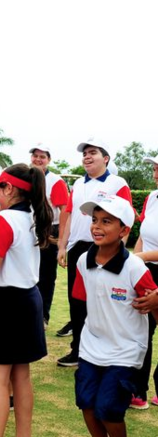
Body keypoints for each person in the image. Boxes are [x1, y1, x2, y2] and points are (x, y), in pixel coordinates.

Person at [0, 164, 53, 437]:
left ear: (10, 189)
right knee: (21, 376)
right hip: (29, 299)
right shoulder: (32, 215)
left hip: (10, 304)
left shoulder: (6, 219)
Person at [72, 196, 158, 437]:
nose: (97, 227)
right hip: (91, 346)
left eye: (107, 221)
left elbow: (155, 305)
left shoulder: (135, 268)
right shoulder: (82, 261)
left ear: (124, 230)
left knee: (108, 409)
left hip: (126, 349)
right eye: (95, 220)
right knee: (86, 403)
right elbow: (82, 300)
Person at [57, 139, 132, 367]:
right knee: (77, 301)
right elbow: (69, 215)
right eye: (85, 154)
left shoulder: (117, 183)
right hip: (78, 248)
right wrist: (62, 245)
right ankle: (78, 350)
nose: (87, 157)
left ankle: (104, 353)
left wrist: (118, 251)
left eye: (93, 153)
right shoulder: (78, 183)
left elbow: (127, 218)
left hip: (104, 248)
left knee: (103, 302)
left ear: (105, 158)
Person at [29, 145, 69, 327]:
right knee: (28, 272)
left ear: (49, 160)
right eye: (35, 156)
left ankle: (43, 316)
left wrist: (61, 238)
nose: (38, 159)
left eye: (42, 156)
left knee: (45, 275)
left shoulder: (55, 181)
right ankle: (29, 312)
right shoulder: (26, 176)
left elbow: (64, 211)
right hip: (28, 226)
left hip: (49, 229)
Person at [130, 154, 158, 409]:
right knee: (142, 330)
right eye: (155, 168)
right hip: (148, 270)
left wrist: (137, 257)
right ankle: (138, 390)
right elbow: (141, 236)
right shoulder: (152, 198)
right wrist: (137, 263)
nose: (156, 172)